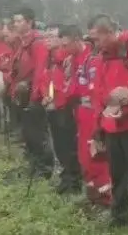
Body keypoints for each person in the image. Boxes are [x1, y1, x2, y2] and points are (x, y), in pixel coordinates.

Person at [87, 14, 128, 234]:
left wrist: (126, 109)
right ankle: (120, 216)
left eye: (97, 39)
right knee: (117, 175)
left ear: (109, 32)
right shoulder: (101, 56)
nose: (95, 44)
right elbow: (96, 90)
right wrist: (100, 118)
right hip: (110, 125)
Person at [58, 24, 113, 207]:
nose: (63, 49)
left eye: (66, 45)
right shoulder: (74, 60)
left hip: (92, 113)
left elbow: (92, 90)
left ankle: (105, 198)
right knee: (84, 157)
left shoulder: (93, 59)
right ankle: (93, 195)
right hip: (80, 113)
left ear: (76, 40)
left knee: (96, 155)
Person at [7, 7, 55, 181]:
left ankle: (45, 168)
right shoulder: (22, 43)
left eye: (20, 21)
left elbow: (40, 71)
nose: (16, 24)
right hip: (22, 93)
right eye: (15, 21)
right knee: (28, 134)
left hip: (34, 94)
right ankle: (34, 165)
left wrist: (36, 97)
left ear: (29, 22)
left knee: (38, 133)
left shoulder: (37, 42)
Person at [41, 25, 83, 195]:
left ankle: (73, 181)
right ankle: (66, 177)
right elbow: (45, 79)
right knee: (59, 144)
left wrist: (61, 97)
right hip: (52, 104)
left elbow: (69, 83)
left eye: (52, 36)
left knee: (69, 145)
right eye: (46, 36)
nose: (48, 40)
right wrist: (44, 94)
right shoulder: (48, 58)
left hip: (65, 106)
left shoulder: (66, 58)